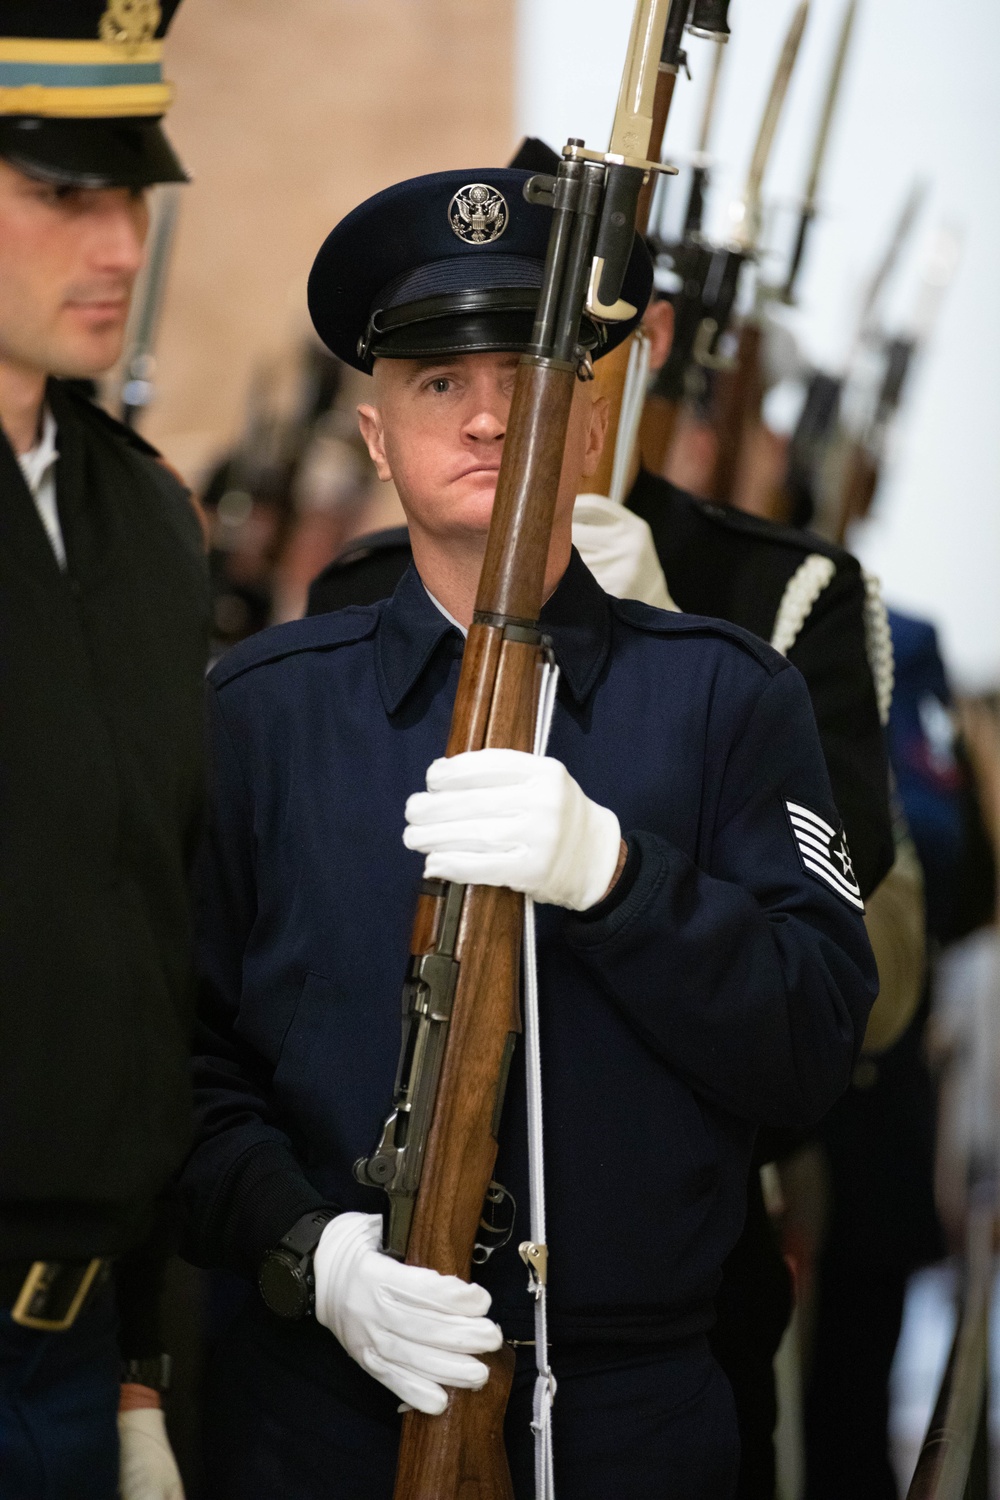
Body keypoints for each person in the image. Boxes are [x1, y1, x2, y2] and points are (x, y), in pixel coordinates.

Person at [179, 165, 878, 1500]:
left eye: (524, 370)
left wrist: (618, 880)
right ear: (378, 437)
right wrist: (308, 1250)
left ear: (587, 411)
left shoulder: (729, 699)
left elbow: (814, 1046)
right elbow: (179, 1071)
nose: (491, 414)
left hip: (637, 1417)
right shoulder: (264, 715)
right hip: (322, 1411)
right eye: (440, 381)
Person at [0, 4, 207, 1497]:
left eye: (130, 191)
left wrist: (139, 1354)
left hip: (71, 1353)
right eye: (62, 193)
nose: (121, 243)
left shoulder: (142, 520)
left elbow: (143, 934)